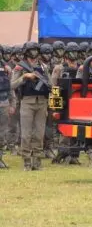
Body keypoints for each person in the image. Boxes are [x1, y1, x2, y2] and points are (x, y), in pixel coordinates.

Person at [11, 42, 50, 171]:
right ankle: (27, 162)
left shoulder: (43, 67)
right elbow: (12, 85)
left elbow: (50, 83)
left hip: (42, 102)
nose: (34, 53)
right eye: (31, 50)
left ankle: (37, 162)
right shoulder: (20, 67)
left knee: (39, 133)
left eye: (36, 50)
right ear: (26, 52)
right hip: (27, 102)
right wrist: (24, 76)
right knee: (26, 134)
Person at [0, 53, 14, 153]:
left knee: (2, 131)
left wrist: (12, 104)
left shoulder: (6, 68)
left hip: (3, 102)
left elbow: (9, 87)